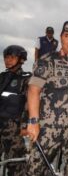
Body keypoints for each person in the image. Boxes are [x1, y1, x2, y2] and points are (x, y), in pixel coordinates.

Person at [26, 21, 68, 176]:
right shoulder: (47, 60)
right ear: (61, 37)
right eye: (67, 36)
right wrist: (33, 122)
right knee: (36, 169)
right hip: (49, 128)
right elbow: (33, 90)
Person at [0, 45, 31, 176]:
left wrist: (24, 126)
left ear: (21, 60)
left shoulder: (27, 78)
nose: (8, 60)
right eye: (6, 57)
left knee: (16, 166)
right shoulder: (2, 77)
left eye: (12, 57)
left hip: (14, 129)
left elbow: (29, 104)